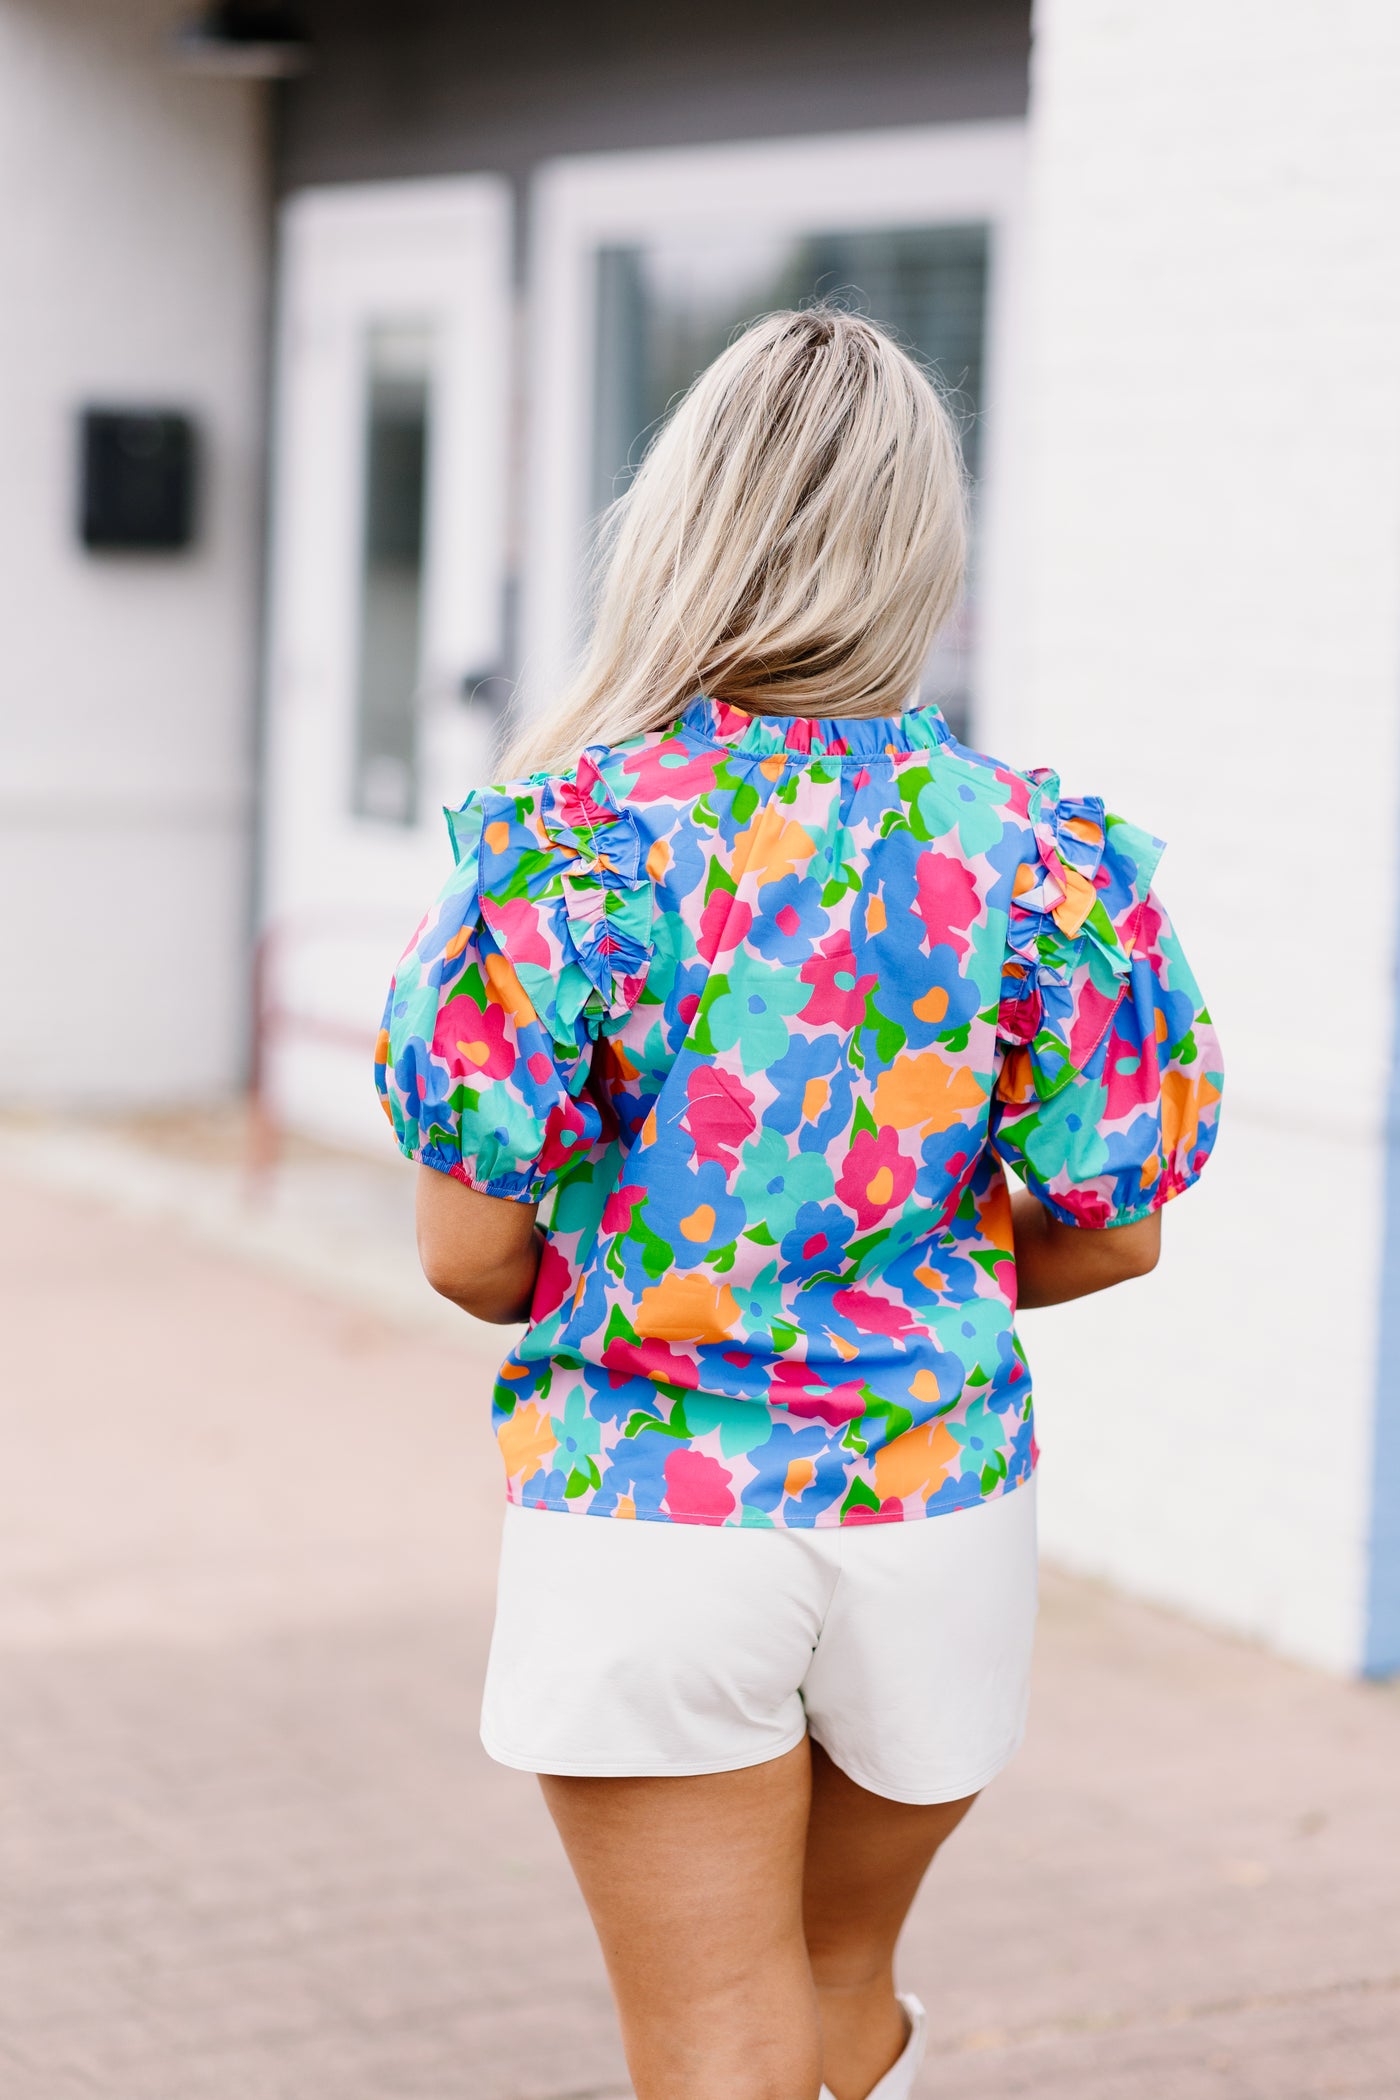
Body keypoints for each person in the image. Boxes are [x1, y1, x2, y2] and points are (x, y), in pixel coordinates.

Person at [375, 308, 1222, 2100]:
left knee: (711, 2051)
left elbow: (467, 1258)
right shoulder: (1040, 854)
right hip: (938, 1510)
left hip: (648, 1512)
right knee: (841, 1984)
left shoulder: (568, 841)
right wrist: (886, 1265)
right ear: (926, 542)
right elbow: (1115, 1223)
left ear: (678, 525)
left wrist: (692, 1273)